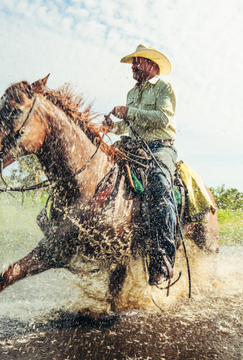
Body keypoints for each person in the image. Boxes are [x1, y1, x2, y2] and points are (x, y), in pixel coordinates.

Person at [103, 44, 178, 285]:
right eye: (133, 61)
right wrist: (111, 128)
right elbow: (126, 127)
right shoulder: (131, 93)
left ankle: (163, 258)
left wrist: (130, 111)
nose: (133, 66)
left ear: (152, 66)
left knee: (158, 185)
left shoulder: (164, 87)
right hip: (133, 147)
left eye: (138, 61)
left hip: (160, 147)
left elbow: (163, 118)